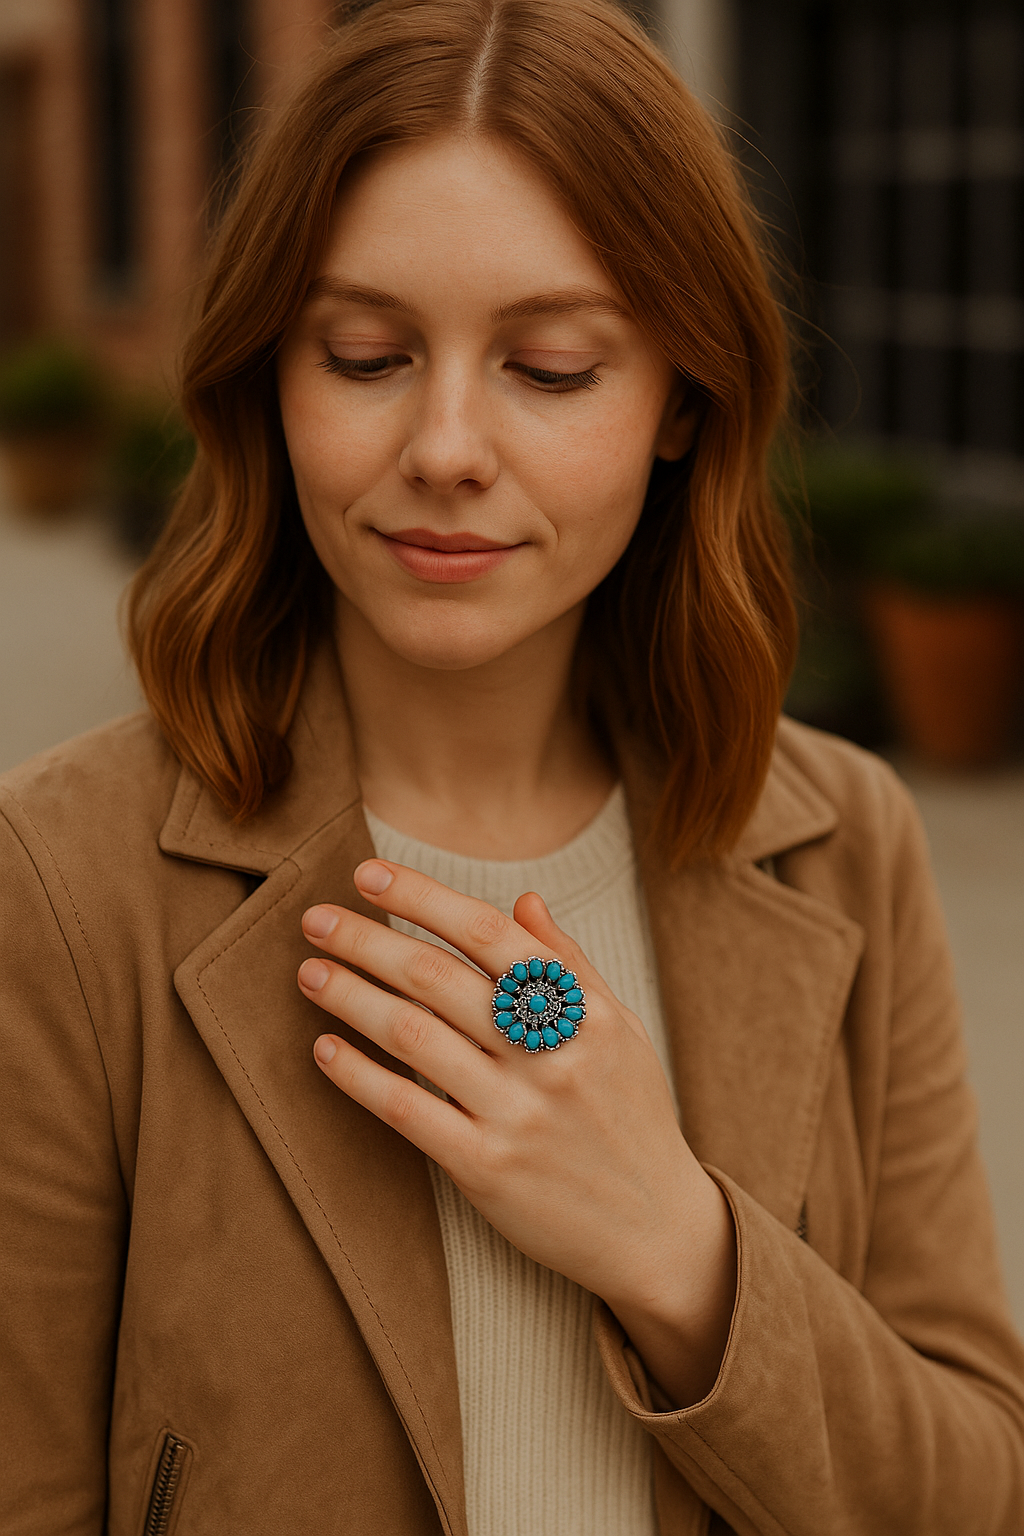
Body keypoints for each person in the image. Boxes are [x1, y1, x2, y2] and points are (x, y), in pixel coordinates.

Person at [2, 0, 1022, 1531]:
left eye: (549, 368)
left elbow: (976, 1490)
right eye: (365, 355)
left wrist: (679, 1249)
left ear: (682, 400)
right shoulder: (56, 878)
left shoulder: (846, 839)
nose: (447, 447)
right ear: (268, 376)